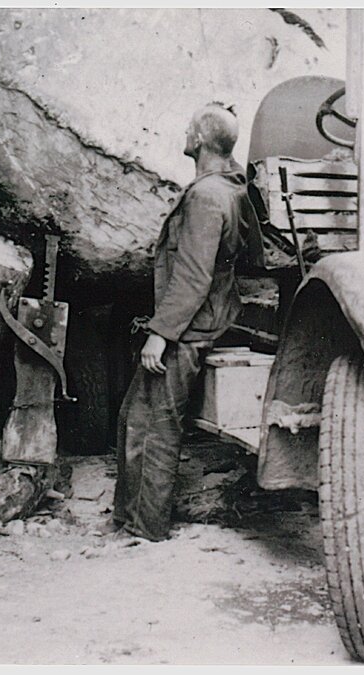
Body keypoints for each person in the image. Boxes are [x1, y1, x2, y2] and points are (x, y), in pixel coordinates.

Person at [112, 102, 249, 541]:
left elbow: (193, 276)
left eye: (191, 127)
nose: (185, 133)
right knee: (139, 416)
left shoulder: (207, 196)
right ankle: (132, 518)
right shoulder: (228, 186)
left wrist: (160, 335)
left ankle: (145, 526)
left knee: (153, 424)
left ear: (201, 140)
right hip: (202, 320)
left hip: (189, 328)